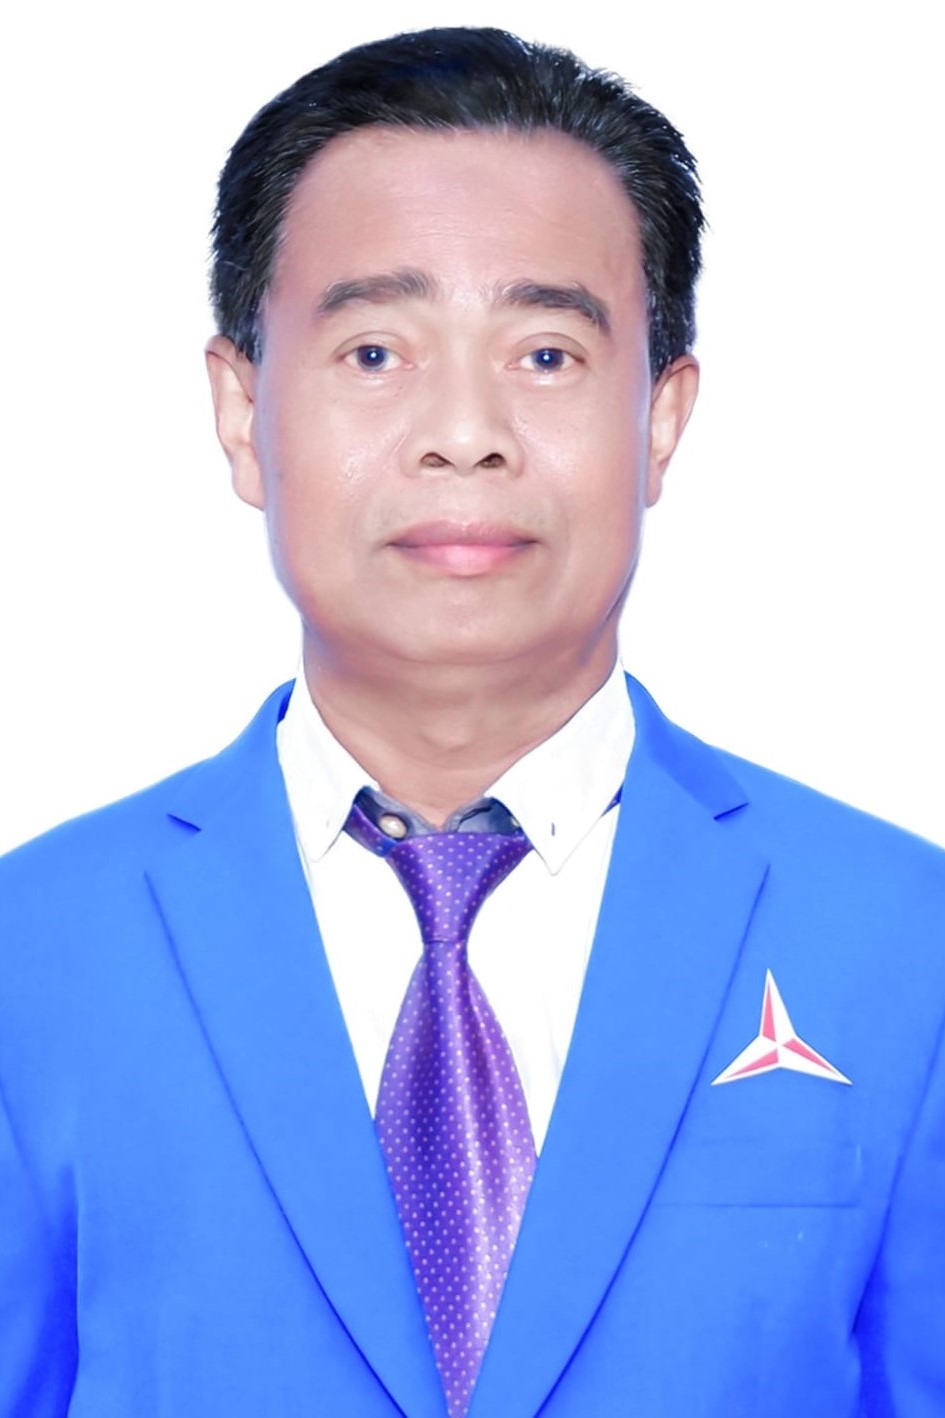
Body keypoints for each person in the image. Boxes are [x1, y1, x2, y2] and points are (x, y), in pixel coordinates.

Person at [1, 25, 943, 1418]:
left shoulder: (905, 940)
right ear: (243, 412)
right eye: (376, 350)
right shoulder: (32, 951)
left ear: (661, 417)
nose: (463, 431)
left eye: (546, 354)